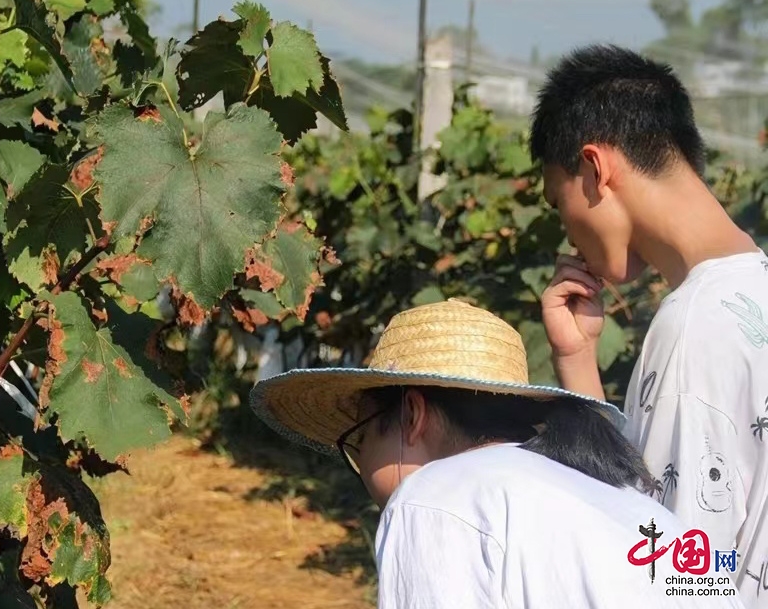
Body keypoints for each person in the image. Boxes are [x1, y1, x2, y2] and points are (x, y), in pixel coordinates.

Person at [249, 298, 745, 608]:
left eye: (358, 440)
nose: (360, 464)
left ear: (413, 414)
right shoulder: (611, 497)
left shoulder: (435, 497)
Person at [529, 43, 768, 606]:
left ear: (595, 168)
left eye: (558, 203)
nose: (568, 233)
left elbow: (678, 580)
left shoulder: (694, 327)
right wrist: (578, 360)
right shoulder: (752, 292)